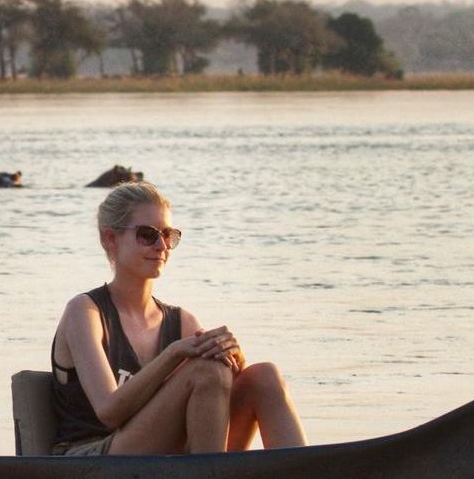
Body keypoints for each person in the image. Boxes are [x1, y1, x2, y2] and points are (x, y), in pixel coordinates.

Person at [48, 182, 306, 455]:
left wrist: (233, 359)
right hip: (91, 460)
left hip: (166, 459)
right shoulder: (85, 312)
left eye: (168, 235)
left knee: (264, 376)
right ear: (110, 238)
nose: (161, 245)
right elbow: (108, 412)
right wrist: (172, 354)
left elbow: (218, 390)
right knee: (205, 369)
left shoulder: (182, 321)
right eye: (147, 235)